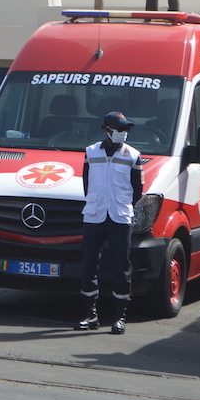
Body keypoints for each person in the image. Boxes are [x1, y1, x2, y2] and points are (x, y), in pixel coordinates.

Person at [75, 112, 144, 335]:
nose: (123, 133)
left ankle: (120, 315)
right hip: (94, 214)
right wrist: (97, 200)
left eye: (126, 130)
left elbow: (137, 191)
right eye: (119, 129)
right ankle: (90, 314)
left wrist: (122, 204)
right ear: (107, 129)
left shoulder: (133, 155)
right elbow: (87, 183)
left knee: (121, 267)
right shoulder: (90, 152)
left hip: (119, 216)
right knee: (88, 265)